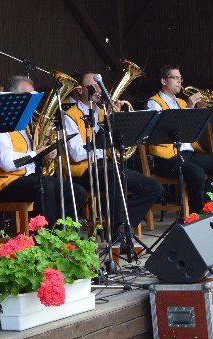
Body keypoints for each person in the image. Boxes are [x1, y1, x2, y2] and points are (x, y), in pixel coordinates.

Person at [63, 72, 163, 236]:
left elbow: (123, 144)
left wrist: (119, 120)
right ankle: (116, 231)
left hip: (108, 166)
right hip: (84, 170)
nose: (98, 90)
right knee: (114, 176)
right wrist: (103, 148)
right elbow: (76, 154)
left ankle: (122, 224)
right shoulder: (70, 115)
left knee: (154, 188)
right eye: (93, 87)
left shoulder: (104, 113)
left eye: (99, 87)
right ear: (80, 90)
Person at [0, 75, 87, 225]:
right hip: (4, 183)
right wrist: (36, 153)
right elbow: (7, 162)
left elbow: (28, 157)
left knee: (77, 192)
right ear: (13, 97)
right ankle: (47, 236)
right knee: (45, 186)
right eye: (29, 97)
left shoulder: (24, 123)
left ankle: (60, 232)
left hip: (28, 178)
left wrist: (44, 155)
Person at [145, 65, 213, 213]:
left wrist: (201, 112)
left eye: (180, 78)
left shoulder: (181, 102)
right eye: (175, 78)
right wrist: (189, 107)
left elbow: (194, 130)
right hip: (166, 159)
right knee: (197, 173)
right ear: (163, 81)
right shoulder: (154, 103)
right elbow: (163, 130)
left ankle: (206, 201)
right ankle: (197, 213)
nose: (180, 81)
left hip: (189, 154)